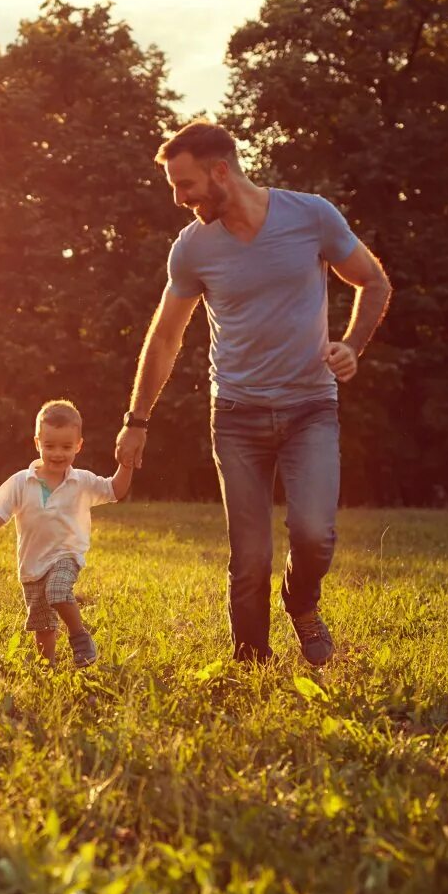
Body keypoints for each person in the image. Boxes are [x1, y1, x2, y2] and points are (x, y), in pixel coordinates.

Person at [114, 121, 391, 667]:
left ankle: (302, 601)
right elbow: (166, 334)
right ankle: (250, 663)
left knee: (314, 534)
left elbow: (373, 280)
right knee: (251, 555)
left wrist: (354, 345)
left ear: (222, 171)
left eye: (186, 184)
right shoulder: (192, 248)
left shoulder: (311, 215)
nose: (179, 199)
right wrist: (136, 418)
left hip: (311, 406)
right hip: (237, 414)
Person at [0, 399, 133, 665]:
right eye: (50, 445)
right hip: (32, 565)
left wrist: (126, 465)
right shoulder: (21, 481)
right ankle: (49, 668)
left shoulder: (82, 481)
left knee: (57, 590)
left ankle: (79, 636)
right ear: (37, 443)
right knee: (42, 625)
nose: (57, 453)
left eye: (66, 447)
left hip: (66, 555)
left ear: (79, 445)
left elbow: (115, 490)